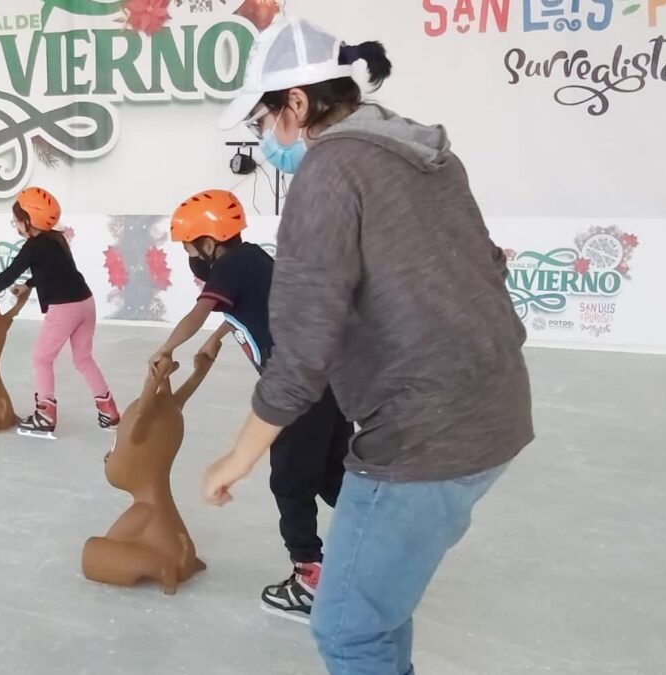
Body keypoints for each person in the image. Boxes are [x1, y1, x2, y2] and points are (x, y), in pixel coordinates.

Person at [202, 18, 533, 675]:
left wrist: (239, 455)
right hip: (496, 404)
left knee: (350, 626)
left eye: (266, 120)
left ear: (295, 102)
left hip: (423, 430)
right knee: (376, 606)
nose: (265, 138)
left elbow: (301, 347)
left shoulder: (329, 175)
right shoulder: (424, 155)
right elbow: (487, 266)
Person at [149, 189, 352, 624]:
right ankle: (380, 540)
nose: (190, 256)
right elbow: (248, 307)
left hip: (297, 389)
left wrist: (167, 346)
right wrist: (217, 338)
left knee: (290, 482)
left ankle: (310, 578)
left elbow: (199, 311)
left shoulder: (228, 266)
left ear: (209, 241)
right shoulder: (252, 258)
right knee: (332, 473)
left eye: (190, 246)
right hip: (329, 379)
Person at [0, 187, 120, 439]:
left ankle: (45, 415)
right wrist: (29, 285)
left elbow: (11, 272)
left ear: (29, 220)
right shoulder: (56, 239)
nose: (15, 224)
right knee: (83, 358)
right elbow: (55, 270)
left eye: (17, 219)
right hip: (85, 303)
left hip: (64, 307)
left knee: (41, 358)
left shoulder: (33, 246)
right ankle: (108, 411)